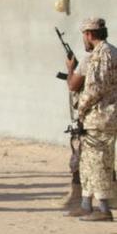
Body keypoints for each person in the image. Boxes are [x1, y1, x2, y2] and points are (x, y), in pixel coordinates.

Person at [66, 18, 117, 222]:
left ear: (89, 34)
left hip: (101, 116)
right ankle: (87, 205)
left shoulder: (102, 54)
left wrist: (81, 107)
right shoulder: (109, 52)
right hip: (97, 117)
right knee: (87, 161)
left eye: (84, 35)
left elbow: (96, 87)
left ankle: (104, 209)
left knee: (100, 162)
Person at [58, 49, 90, 210]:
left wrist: (71, 68)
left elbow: (72, 85)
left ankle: (77, 197)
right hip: (105, 119)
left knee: (77, 159)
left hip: (88, 119)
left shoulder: (90, 60)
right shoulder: (111, 56)